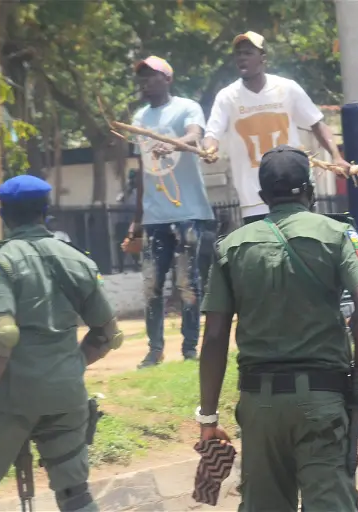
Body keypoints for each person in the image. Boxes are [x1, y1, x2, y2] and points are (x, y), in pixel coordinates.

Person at [197, 145, 358, 511]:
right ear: (311, 191)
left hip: (259, 406)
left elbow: (215, 336)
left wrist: (208, 417)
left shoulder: (230, 247)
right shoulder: (338, 233)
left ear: (263, 197)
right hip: (322, 401)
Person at [0, 175, 123, 512]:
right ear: (45, 212)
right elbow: (109, 333)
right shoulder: (77, 260)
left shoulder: (0, 261)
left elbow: (4, 336)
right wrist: (74, 365)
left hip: (12, 399)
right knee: (75, 494)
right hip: (67, 396)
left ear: (3, 214)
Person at [201, 31, 350, 225]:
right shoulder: (227, 96)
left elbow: (317, 123)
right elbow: (212, 134)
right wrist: (208, 149)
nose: (241, 58)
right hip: (254, 198)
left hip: (294, 194)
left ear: (263, 58)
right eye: (238, 54)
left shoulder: (287, 88)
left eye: (248, 53)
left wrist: (337, 157)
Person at [128, 56, 215, 368]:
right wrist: (137, 218)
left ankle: (190, 349)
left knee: (187, 284)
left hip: (188, 212)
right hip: (154, 218)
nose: (145, 82)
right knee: (151, 285)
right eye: (142, 77)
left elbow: (195, 136)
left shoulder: (187, 107)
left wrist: (173, 143)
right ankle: (154, 349)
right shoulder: (139, 118)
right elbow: (141, 169)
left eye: (151, 76)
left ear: (167, 78)